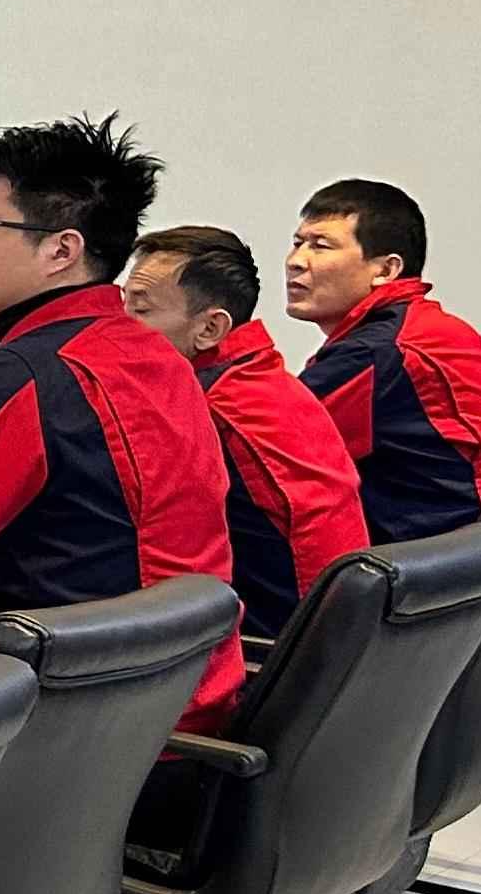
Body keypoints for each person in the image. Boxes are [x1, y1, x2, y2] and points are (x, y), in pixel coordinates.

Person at [0, 113, 241, 719]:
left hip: (80, 726)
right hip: (173, 702)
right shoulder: (153, 358)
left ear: (61, 251)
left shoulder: (33, 380)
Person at [125, 223, 367, 641]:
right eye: (123, 303)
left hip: (278, 656)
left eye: (140, 310)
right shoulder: (265, 379)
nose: (119, 325)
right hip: (348, 643)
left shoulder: (205, 412)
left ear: (209, 329)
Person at [289, 177, 481, 541]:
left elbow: (262, 444)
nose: (296, 261)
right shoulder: (423, 329)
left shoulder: (381, 351)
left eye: (320, 246)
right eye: (297, 243)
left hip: (450, 564)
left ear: (385, 270)